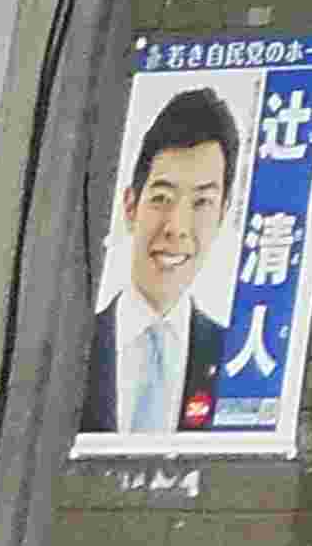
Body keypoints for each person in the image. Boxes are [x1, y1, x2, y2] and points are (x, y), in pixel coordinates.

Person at [81, 87, 236, 442]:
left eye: (202, 203)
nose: (176, 228)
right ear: (130, 206)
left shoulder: (236, 358)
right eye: (162, 198)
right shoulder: (74, 345)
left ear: (222, 215)